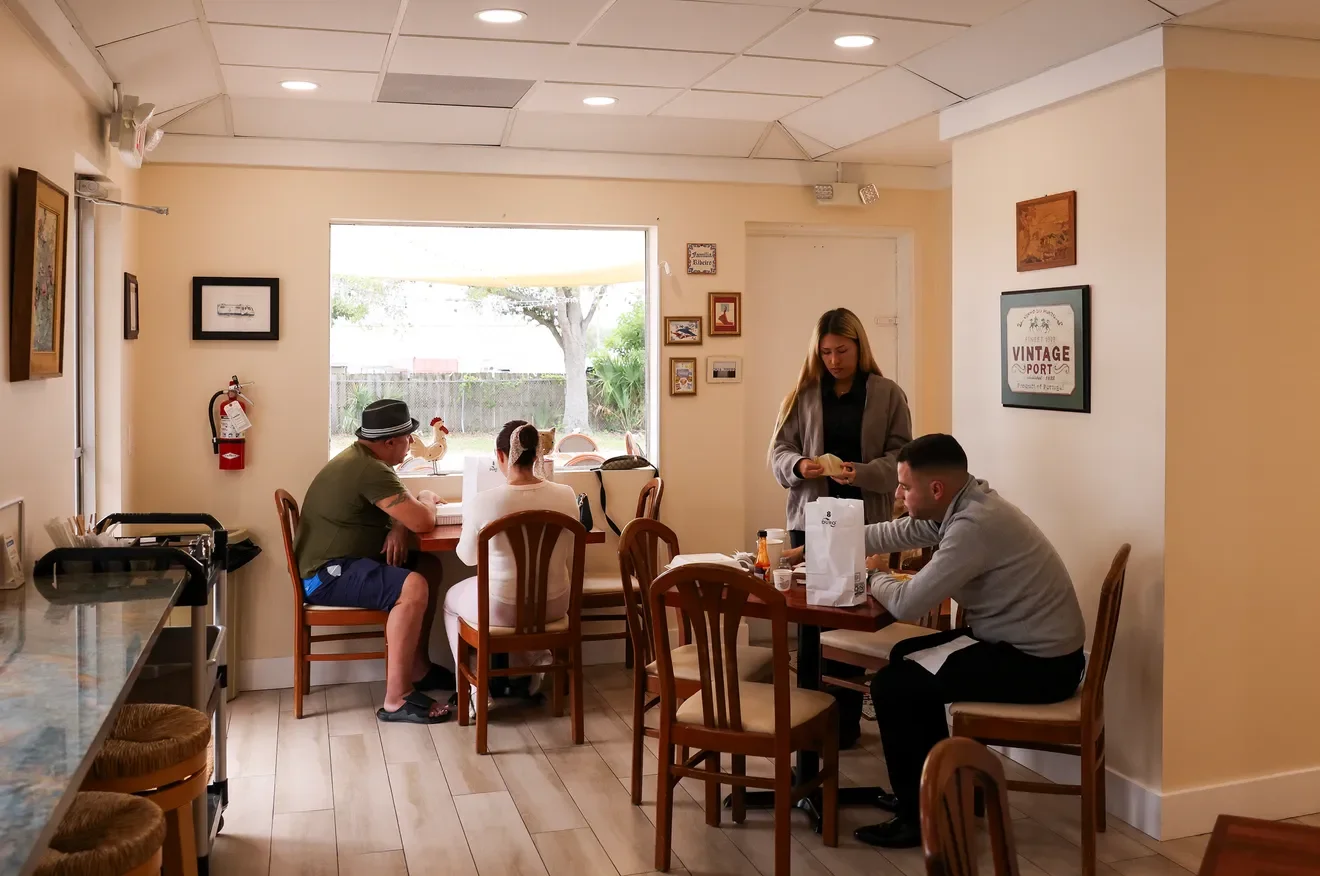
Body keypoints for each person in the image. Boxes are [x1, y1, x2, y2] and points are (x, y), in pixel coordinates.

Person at [849, 434, 1086, 849]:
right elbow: (899, 531)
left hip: (1040, 666)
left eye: (904, 486)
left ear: (936, 489)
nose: (898, 494)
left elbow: (906, 603)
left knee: (893, 685)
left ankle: (920, 818)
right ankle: (938, 792)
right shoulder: (964, 504)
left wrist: (870, 576)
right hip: (1022, 645)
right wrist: (833, 534)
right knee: (904, 656)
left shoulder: (973, 527)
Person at [295, 399, 454, 724]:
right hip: (325, 576)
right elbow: (422, 520)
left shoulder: (363, 461)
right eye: (407, 437)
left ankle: (417, 669)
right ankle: (397, 698)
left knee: (428, 568)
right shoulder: (370, 470)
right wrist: (425, 497)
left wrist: (399, 526)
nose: (411, 442)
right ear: (389, 442)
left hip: (337, 565)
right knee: (414, 586)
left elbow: (403, 514)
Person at [445, 419, 580, 705]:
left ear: (501, 455)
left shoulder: (484, 502)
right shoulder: (567, 495)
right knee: (525, 591)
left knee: (451, 599)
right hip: (556, 605)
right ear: (538, 454)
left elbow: (467, 558)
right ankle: (536, 661)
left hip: (503, 612)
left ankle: (475, 691)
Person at [769, 307, 913, 549]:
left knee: (866, 575)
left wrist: (861, 473)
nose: (834, 361)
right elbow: (780, 451)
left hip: (868, 520)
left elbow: (903, 457)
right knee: (805, 575)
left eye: (842, 351)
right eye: (826, 352)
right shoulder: (802, 396)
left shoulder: (888, 394)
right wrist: (798, 465)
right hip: (810, 520)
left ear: (859, 347)